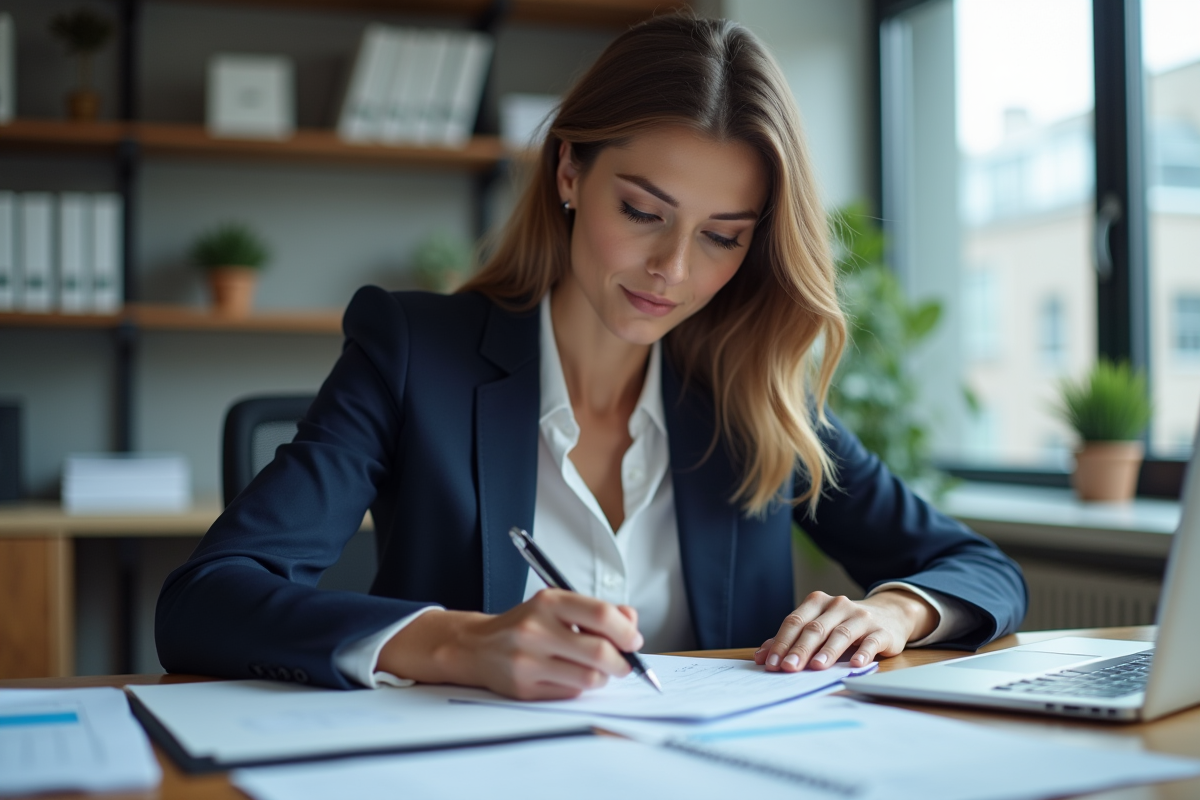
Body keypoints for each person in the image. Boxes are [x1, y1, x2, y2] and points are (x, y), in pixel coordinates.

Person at [156, 14, 1026, 699]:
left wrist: (895, 609)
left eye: (722, 238)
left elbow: (981, 569)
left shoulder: (749, 392)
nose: (673, 271)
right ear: (569, 172)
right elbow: (206, 601)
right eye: (643, 211)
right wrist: (457, 642)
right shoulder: (413, 352)